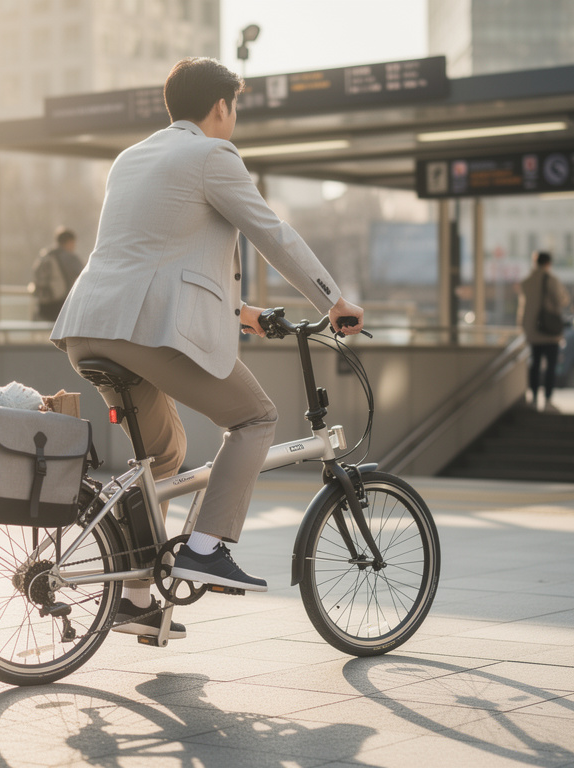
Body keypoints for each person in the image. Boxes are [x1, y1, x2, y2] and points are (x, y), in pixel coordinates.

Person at [51, 57, 364, 638]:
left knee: (162, 462)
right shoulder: (212, 155)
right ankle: (206, 545)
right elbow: (273, 232)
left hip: (89, 325)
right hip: (143, 333)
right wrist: (333, 299)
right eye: (235, 107)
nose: (235, 117)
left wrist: (239, 313)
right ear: (221, 107)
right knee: (256, 417)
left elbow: (156, 253)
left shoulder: (133, 157)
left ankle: (136, 597)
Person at [516, 250, 570, 411]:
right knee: (551, 365)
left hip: (532, 330)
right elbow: (563, 300)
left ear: (535, 262)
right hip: (549, 331)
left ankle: (533, 398)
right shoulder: (551, 280)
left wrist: (523, 326)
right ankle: (547, 399)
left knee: (534, 364)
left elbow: (522, 307)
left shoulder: (527, 281)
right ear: (548, 263)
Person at [31, 227, 84, 321]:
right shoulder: (70, 257)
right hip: (61, 307)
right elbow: (85, 275)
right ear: (70, 242)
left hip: (42, 307)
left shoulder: (45, 255)